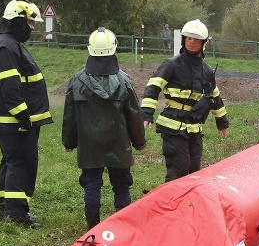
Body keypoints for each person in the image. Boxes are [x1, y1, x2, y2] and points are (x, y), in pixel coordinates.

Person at [62, 27, 147, 229]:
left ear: (90, 49)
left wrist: (69, 141)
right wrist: (139, 142)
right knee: (121, 185)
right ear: (114, 48)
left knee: (91, 185)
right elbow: (134, 115)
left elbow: (70, 115)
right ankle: (123, 229)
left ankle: (93, 229)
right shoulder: (124, 80)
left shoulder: (77, 81)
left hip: (89, 145)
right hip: (119, 144)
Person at [0, 0, 53, 229]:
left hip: (11, 121)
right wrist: (23, 116)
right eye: (29, 23)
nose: (31, 28)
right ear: (16, 20)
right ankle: (16, 215)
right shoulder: (6, 46)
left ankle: (7, 211)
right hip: (14, 121)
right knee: (21, 164)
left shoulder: (8, 43)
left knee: (12, 163)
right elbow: (10, 87)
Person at [141, 19, 229, 182]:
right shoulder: (172, 65)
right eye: (188, 38)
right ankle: (171, 201)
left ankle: (189, 204)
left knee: (194, 168)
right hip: (172, 126)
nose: (191, 42)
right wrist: (146, 114)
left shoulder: (207, 70)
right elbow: (153, 87)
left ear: (203, 43)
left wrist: (222, 122)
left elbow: (214, 97)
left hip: (194, 127)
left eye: (195, 39)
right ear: (183, 40)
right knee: (179, 166)